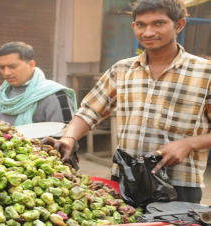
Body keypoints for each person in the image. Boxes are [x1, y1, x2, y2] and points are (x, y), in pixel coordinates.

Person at [55, 0, 211, 203]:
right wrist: (69, 138)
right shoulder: (122, 70)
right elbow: (89, 111)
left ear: (179, 25)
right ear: (133, 26)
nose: (147, 32)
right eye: (141, 24)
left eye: (158, 23)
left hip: (179, 184)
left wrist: (189, 144)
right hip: (125, 179)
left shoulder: (204, 72)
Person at [0, 41, 77, 126]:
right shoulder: (1, 93)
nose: (6, 72)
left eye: (13, 66)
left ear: (31, 65)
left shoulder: (55, 95)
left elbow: (66, 137)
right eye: (2, 67)